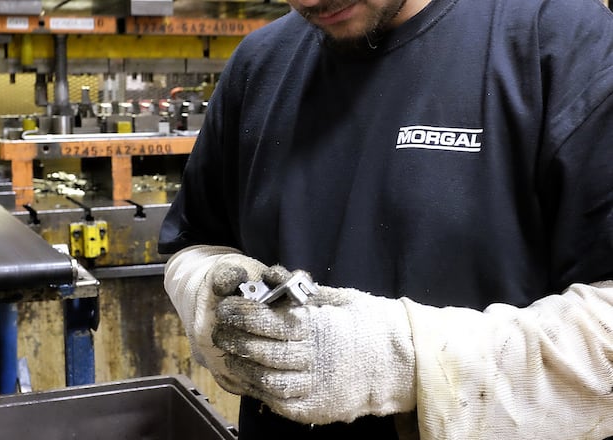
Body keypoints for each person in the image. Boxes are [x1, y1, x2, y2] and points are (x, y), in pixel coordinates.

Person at [158, 0, 613, 438]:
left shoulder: (563, 41)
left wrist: (402, 361)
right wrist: (209, 290)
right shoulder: (258, 63)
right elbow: (196, 242)